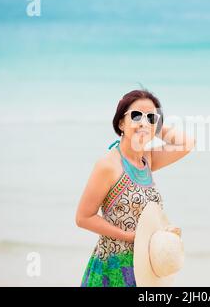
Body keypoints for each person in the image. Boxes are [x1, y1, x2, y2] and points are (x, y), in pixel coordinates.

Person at [75, 89, 195, 287]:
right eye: (136, 115)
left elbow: (187, 143)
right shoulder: (108, 165)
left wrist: (154, 126)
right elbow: (83, 217)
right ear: (121, 123)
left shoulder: (147, 159)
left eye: (150, 118)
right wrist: (127, 237)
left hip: (144, 269)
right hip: (112, 270)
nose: (143, 121)